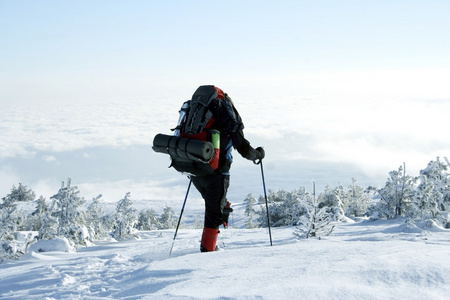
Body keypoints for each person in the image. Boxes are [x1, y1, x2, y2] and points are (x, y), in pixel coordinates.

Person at [185, 85, 265, 252]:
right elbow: (242, 147)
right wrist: (257, 155)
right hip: (217, 172)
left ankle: (223, 209)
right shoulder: (226, 115)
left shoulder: (197, 111)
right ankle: (208, 254)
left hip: (195, 170)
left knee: (214, 204)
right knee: (213, 217)